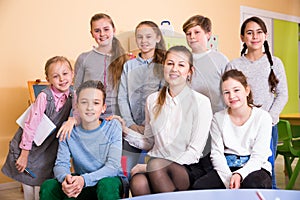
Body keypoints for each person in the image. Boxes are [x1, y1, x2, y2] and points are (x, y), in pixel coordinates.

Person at [114, 45, 213, 196]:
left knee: (156, 165)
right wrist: (125, 131)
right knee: (138, 182)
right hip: (156, 164)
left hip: (187, 168)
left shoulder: (201, 103)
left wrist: (148, 167)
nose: (174, 69)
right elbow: (149, 142)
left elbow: (194, 152)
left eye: (181, 65)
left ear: (189, 72)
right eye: (170, 63)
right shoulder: (152, 100)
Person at [226, 16, 288, 188]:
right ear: (242, 38)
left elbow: (282, 94)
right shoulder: (234, 65)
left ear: (265, 35)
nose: (255, 36)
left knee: (267, 172)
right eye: (249, 33)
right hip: (240, 128)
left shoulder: (275, 63)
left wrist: (268, 119)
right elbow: (228, 97)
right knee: (240, 170)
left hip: (267, 127)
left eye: (259, 32)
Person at [39, 80, 128, 200]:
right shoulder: (68, 129)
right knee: (48, 186)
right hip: (81, 181)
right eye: (84, 102)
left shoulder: (113, 126)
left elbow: (113, 167)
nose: (90, 107)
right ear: (77, 106)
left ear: (103, 108)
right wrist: (66, 178)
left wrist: (84, 180)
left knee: (107, 185)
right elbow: (61, 164)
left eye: (96, 103)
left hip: (109, 180)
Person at [1, 56, 74, 200]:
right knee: (29, 184)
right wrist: (24, 154)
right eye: (55, 76)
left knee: (43, 187)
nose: (62, 79)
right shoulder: (44, 97)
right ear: (48, 79)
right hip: (29, 146)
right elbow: (30, 125)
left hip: (48, 148)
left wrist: (73, 119)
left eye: (65, 74)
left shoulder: (74, 95)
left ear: (72, 73)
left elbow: (78, 112)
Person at [193, 69, 272, 189]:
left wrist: (240, 175)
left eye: (236, 90)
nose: (232, 96)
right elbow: (216, 154)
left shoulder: (263, 117)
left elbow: (259, 156)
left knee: (252, 185)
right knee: (200, 186)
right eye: (226, 92)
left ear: (247, 90)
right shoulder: (218, 118)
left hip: (256, 168)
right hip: (226, 169)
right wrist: (229, 180)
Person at [57, 13, 128, 139]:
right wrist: (74, 117)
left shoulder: (125, 60)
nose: (102, 34)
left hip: (115, 118)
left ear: (114, 30)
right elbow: (76, 91)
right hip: (89, 116)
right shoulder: (84, 58)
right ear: (91, 33)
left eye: (106, 29)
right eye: (97, 31)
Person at [118, 21, 166, 178]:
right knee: (125, 172)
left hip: (155, 129)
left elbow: (163, 98)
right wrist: (131, 124)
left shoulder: (165, 65)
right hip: (132, 129)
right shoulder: (128, 66)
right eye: (140, 37)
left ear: (158, 38)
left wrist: (147, 126)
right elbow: (122, 97)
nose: (144, 41)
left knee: (155, 173)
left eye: (148, 36)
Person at [182, 14, 229, 114]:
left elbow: (230, 88)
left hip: (217, 115)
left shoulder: (220, 59)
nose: (192, 37)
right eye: (188, 33)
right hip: (191, 115)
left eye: (197, 32)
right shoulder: (182, 60)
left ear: (208, 34)